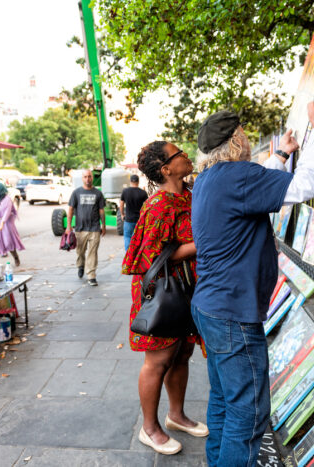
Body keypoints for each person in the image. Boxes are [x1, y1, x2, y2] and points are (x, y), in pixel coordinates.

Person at [190, 92, 314, 466]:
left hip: (212, 307)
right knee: (249, 412)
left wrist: (282, 154)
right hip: (232, 314)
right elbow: (305, 186)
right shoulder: (236, 178)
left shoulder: (211, 180)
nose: (245, 137)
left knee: (225, 400)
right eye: (242, 132)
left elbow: (258, 187)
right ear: (236, 140)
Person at [122, 142, 208, 456]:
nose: (186, 155)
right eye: (178, 153)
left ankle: (176, 415)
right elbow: (150, 256)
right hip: (164, 291)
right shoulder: (158, 205)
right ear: (166, 169)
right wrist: (202, 244)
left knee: (182, 355)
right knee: (158, 361)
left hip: (189, 287)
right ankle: (150, 427)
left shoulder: (190, 193)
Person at [66, 169, 106, 286]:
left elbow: (101, 210)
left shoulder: (98, 193)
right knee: (80, 252)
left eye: (89, 177)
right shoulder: (76, 193)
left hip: (94, 228)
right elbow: (70, 209)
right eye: (85, 177)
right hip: (80, 229)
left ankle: (91, 275)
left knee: (93, 252)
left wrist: (103, 225)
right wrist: (68, 226)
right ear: (82, 178)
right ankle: (80, 265)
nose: (87, 179)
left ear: (92, 178)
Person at [0, 182, 24, 266]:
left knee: (8, 242)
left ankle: (16, 257)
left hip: (6, 224)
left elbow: (7, 212)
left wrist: (2, 223)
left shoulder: (7, 199)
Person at [119, 174, 148, 251]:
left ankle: (129, 257)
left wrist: (122, 214)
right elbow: (147, 206)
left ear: (130, 181)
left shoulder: (125, 191)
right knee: (139, 239)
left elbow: (121, 204)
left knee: (128, 237)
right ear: (138, 182)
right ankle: (137, 256)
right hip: (139, 220)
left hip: (128, 220)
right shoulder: (143, 193)